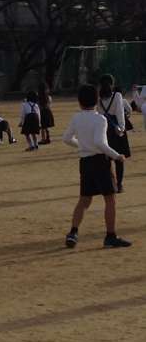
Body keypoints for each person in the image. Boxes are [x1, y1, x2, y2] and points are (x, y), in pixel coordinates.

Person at [63, 84, 131, 249]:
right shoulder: (100, 119)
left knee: (84, 200)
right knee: (110, 199)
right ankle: (110, 236)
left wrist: (81, 145)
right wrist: (117, 156)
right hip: (100, 162)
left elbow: (66, 138)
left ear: (79, 102)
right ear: (96, 100)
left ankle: (73, 232)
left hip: (85, 162)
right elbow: (100, 143)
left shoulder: (76, 118)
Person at [97, 75, 130, 193]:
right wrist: (121, 128)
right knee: (119, 159)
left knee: (107, 158)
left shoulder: (99, 98)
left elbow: (99, 114)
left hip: (104, 129)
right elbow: (120, 113)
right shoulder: (117, 96)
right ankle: (119, 185)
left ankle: (109, 184)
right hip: (116, 129)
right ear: (112, 84)